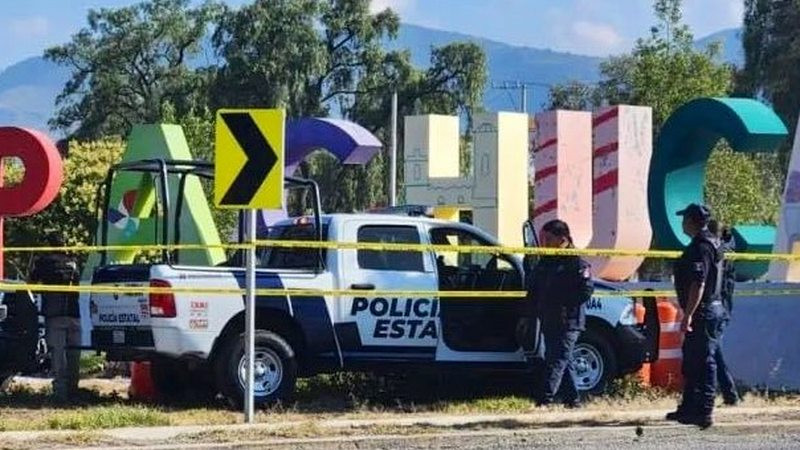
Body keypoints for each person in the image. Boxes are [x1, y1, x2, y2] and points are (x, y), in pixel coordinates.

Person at [666, 204, 727, 429]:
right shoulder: (712, 243)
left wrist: (688, 314)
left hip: (703, 311)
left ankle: (704, 410)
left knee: (703, 361)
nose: (682, 223)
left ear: (692, 221)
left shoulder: (701, 247)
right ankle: (689, 408)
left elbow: (698, 283)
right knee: (692, 360)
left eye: (685, 219)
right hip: (710, 309)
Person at [527, 219, 594, 407]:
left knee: (556, 360)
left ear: (562, 239)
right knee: (563, 360)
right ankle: (572, 400)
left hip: (569, 321)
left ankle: (544, 400)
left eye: (548, 239)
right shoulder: (546, 262)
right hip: (549, 318)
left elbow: (585, 291)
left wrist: (564, 305)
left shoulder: (576, 263)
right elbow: (534, 287)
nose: (544, 243)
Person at [29, 234, 81, 402]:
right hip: (74, 314)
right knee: (74, 355)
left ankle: (60, 393)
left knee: (58, 356)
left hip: (55, 315)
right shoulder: (73, 262)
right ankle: (74, 390)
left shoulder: (45, 264)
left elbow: (30, 283)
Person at [707, 219, 739, 406]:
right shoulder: (726, 249)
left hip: (718, 305)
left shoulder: (719, 252)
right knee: (712, 348)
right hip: (722, 305)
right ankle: (728, 393)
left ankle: (729, 393)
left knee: (712, 349)